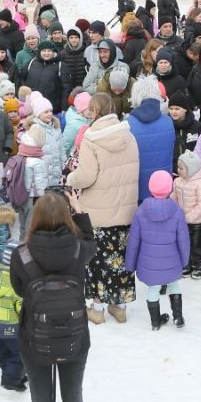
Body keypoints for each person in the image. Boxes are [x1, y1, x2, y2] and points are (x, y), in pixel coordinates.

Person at [10, 192, 96, 402]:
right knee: (73, 400)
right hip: (74, 337)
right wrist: (81, 213)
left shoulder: (21, 254)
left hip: (35, 337)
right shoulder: (79, 249)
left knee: (40, 401)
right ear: (67, 217)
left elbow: (21, 291)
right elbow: (92, 242)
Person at [66, 92, 140, 323]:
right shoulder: (128, 135)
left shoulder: (91, 138)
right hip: (125, 210)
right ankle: (119, 307)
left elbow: (86, 176)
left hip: (98, 212)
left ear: (95, 111)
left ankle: (97, 311)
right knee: (119, 261)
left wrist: (71, 179)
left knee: (97, 263)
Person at [125, 170, 190, 330]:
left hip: (148, 264)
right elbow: (184, 240)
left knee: (153, 288)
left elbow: (133, 241)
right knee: (174, 284)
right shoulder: (177, 211)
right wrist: (185, 260)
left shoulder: (141, 212)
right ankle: (178, 317)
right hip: (172, 261)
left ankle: (155, 322)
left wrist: (130, 264)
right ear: (170, 189)